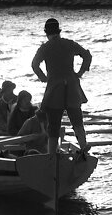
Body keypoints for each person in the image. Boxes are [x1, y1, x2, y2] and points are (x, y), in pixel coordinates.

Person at [30, 18, 92, 151]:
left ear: (46, 33)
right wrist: (80, 73)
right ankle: (83, 146)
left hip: (54, 90)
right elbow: (87, 56)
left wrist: (44, 78)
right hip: (72, 87)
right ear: (59, 31)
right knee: (77, 121)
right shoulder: (69, 44)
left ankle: (51, 155)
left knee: (53, 125)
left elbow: (34, 64)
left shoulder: (45, 48)